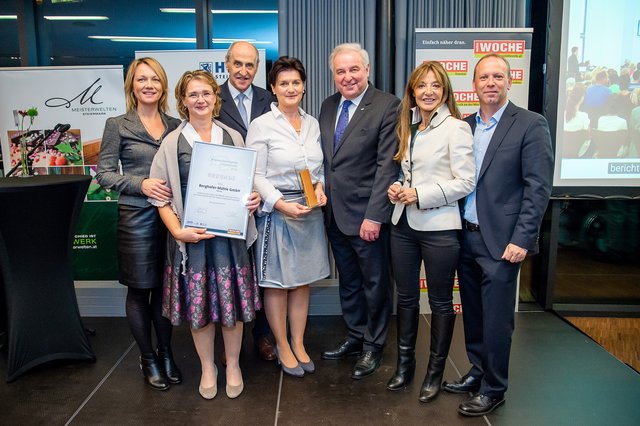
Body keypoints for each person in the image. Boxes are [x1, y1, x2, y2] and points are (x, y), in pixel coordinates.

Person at [443, 54, 553, 416]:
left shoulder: (530, 124)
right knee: (473, 313)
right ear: (473, 85)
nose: (490, 82)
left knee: (497, 320)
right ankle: (477, 370)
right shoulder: (464, 125)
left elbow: (537, 187)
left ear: (509, 82)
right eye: (483, 77)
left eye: (498, 76)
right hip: (465, 235)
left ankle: (494, 388)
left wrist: (522, 239)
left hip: (504, 242)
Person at [148, 70, 262, 400]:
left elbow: (247, 185)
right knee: (199, 311)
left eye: (206, 94)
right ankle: (208, 367)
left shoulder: (233, 138)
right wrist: (177, 231)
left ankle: (234, 364)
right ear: (183, 101)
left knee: (232, 307)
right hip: (191, 240)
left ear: (216, 98)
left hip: (229, 241)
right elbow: (160, 196)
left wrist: (251, 199)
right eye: (193, 94)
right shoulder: (171, 144)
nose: (200, 100)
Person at [385, 61, 475, 402]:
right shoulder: (408, 126)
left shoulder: (456, 128)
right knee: (406, 299)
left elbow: (465, 181)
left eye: (435, 86)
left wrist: (420, 195)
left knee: (439, 302)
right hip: (403, 225)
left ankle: (434, 374)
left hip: (440, 229)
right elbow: (408, 174)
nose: (428, 92)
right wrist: (398, 188)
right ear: (412, 92)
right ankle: (405, 366)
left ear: (445, 91)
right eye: (421, 86)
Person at [96, 57, 182, 391]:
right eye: (142, 79)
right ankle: (147, 357)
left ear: (163, 86)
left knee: (164, 288)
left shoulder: (177, 124)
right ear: (132, 85)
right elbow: (103, 174)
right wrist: (141, 184)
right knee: (139, 289)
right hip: (136, 216)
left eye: (155, 80)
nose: (148, 85)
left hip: (172, 217)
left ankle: (166, 352)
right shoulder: (117, 124)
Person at [319, 43, 400, 379]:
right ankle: (354, 335)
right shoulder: (327, 107)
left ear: (367, 70)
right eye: (340, 71)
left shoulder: (386, 105)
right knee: (348, 283)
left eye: (354, 70)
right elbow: (327, 161)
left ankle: (373, 346)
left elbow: (387, 166)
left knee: (375, 283)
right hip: (335, 214)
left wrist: (374, 215)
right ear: (334, 75)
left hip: (367, 216)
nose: (347, 77)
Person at [246, 56, 330, 377]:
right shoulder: (262, 125)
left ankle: (298, 342)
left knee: (302, 282)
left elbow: (317, 167)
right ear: (273, 88)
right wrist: (280, 203)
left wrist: (320, 187)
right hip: (278, 213)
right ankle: (281, 343)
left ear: (304, 86)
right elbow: (255, 174)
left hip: (308, 210)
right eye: (283, 83)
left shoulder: (311, 123)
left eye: (296, 82)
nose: (290, 88)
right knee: (279, 284)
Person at [217, 41, 276, 363]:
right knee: (232, 273)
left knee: (263, 272)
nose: (243, 71)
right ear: (227, 64)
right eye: (237, 63)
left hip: (262, 201)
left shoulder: (270, 100)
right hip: (223, 201)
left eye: (250, 65)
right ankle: (231, 340)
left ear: (257, 67)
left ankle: (262, 335)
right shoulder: (212, 98)